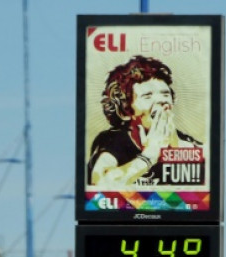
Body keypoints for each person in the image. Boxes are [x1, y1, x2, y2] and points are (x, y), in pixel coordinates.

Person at [87, 54, 203, 189]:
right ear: (125, 110)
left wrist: (176, 148)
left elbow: (212, 172)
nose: (162, 100)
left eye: (166, 94)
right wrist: (150, 155)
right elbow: (100, 184)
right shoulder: (112, 142)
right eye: (147, 96)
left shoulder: (185, 141)